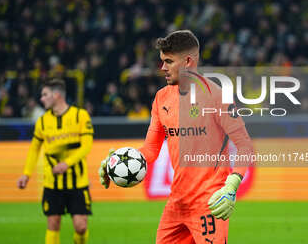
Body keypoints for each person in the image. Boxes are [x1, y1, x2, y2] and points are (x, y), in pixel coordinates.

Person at [99, 30, 253, 244]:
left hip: (209, 202)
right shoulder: (161, 98)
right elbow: (150, 150)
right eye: (162, 61)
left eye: (169, 61)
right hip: (177, 203)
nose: (162, 68)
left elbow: (245, 145)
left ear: (188, 61)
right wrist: (119, 160)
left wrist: (231, 185)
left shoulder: (217, 96)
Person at [17, 78, 94, 244]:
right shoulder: (42, 121)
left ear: (57, 95)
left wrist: (67, 163)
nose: (41, 98)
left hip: (78, 183)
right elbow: (34, 149)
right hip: (52, 183)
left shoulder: (80, 116)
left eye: (45, 94)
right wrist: (26, 174)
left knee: (81, 227)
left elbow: (86, 146)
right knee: (53, 224)